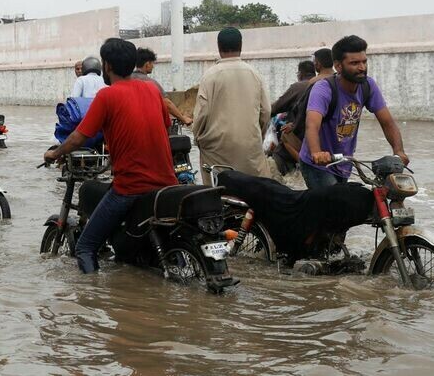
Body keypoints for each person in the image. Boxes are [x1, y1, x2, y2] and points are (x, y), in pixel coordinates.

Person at [43, 38, 177, 274]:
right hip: (167, 183)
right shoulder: (152, 90)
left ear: (107, 66)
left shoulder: (107, 96)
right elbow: (163, 129)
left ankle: (91, 302)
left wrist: (55, 153)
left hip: (130, 187)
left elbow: (78, 137)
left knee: (85, 246)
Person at [300, 35, 409, 188]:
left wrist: (399, 152)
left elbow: (387, 122)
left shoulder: (368, 86)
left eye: (364, 61)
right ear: (338, 66)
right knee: (333, 204)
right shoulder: (323, 89)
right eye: (354, 63)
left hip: (344, 162)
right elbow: (312, 125)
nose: (362, 67)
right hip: (318, 165)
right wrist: (317, 153)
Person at [193, 28, 271, 184]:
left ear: (218, 46)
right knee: (256, 190)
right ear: (241, 46)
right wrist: (256, 135)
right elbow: (266, 111)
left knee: (217, 192)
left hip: (216, 147)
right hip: (249, 146)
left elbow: (202, 114)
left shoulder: (210, 76)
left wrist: (198, 138)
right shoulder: (254, 74)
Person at [132, 48, 193, 126]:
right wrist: (183, 118)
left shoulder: (127, 80)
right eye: (152, 63)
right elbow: (167, 104)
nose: (153, 66)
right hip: (147, 125)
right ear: (147, 64)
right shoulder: (150, 83)